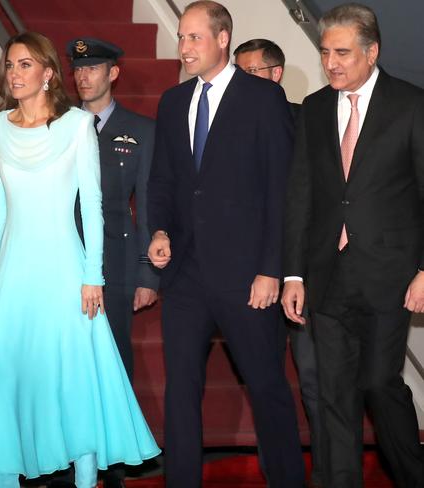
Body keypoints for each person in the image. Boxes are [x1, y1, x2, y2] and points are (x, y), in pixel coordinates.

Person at [0, 31, 159, 488]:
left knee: (76, 380)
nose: (15, 73)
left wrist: (93, 275)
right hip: (12, 272)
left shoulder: (75, 125)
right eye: (10, 65)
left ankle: (86, 482)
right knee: (8, 375)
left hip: (67, 271)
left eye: (26, 64)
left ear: (49, 73)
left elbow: (90, 202)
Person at [146, 2, 304, 487]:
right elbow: (165, 181)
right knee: (181, 392)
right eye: (181, 37)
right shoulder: (173, 102)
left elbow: (282, 190)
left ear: (222, 39)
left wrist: (271, 269)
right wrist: (158, 231)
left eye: (195, 37)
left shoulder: (262, 99)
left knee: (267, 387)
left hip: (247, 276)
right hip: (187, 276)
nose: (184, 47)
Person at [281, 4, 424, 487]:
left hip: (389, 276)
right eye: (325, 53)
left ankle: (412, 474)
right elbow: (301, 193)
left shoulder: (411, 105)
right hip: (325, 276)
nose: (331, 63)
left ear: (372, 51)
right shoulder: (316, 108)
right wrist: (294, 274)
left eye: (342, 53)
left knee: (378, 384)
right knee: (333, 394)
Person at [45, 37, 158, 488]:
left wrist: (147, 273)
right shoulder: (56, 124)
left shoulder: (140, 130)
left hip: (114, 262)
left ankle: (108, 461)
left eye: (93, 68)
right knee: (62, 363)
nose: (83, 76)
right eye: (78, 68)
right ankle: (65, 458)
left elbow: (147, 205)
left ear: (113, 73)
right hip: (57, 258)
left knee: (111, 362)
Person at [234, 38, 325, 488]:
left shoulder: (308, 120)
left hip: (305, 278)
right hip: (256, 280)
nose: (242, 81)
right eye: (238, 72)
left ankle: (329, 472)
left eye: (252, 72)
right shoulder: (223, 126)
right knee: (265, 381)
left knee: (313, 380)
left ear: (276, 75)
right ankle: (279, 476)